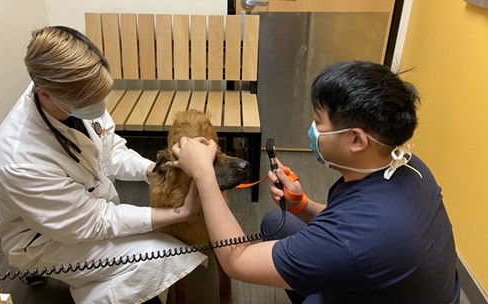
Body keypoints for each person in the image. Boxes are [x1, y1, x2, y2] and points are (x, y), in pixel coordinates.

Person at [170, 61, 460, 304]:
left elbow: (237, 261)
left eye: (318, 122)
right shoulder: (406, 163)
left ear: (356, 139)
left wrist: (204, 174)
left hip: (375, 278)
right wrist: (303, 205)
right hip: (395, 284)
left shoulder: (355, 238)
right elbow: (346, 223)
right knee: (276, 222)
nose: (312, 129)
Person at [0, 26, 206, 304]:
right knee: (158, 254)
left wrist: (154, 170)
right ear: (44, 93)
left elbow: (110, 150)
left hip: (87, 214)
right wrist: (179, 213)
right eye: (88, 100)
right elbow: (95, 221)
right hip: (45, 240)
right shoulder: (16, 159)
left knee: (152, 245)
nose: (98, 105)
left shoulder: (74, 94)